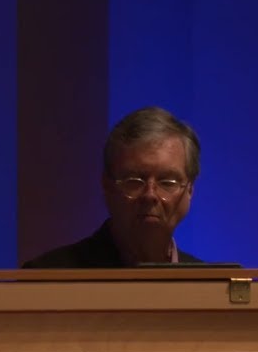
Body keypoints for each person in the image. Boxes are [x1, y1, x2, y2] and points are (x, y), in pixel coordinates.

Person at [23, 106, 203, 268]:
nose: (150, 195)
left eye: (167, 182)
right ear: (107, 186)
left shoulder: (211, 289)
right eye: (134, 180)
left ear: (189, 191)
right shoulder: (47, 278)